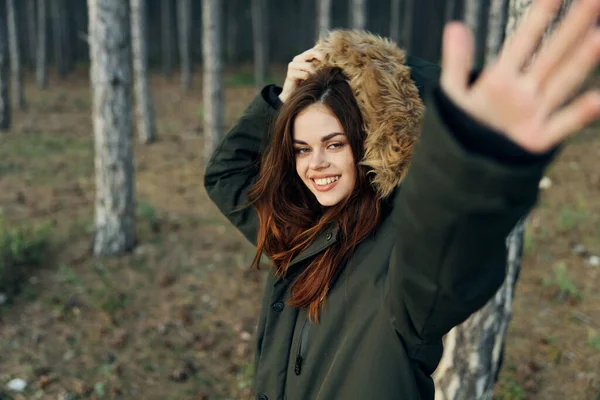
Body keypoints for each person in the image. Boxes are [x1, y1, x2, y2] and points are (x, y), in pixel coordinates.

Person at [204, 0, 600, 398]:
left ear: (366, 142)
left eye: (334, 143)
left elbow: (446, 253)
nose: (316, 165)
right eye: (302, 149)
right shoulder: (299, 230)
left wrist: (478, 157)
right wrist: (279, 103)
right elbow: (226, 176)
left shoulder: (401, 251)